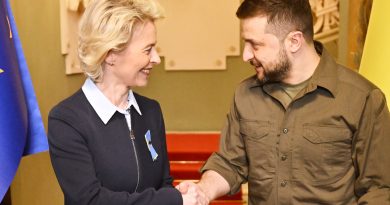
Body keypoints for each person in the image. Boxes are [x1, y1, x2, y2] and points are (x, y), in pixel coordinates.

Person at [177, 0, 390, 204]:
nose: (245, 55)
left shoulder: (363, 99)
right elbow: (230, 163)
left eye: (255, 45)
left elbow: (378, 190)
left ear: (294, 41)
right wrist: (203, 191)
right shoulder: (245, 94)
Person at [48, 0, 204, 204]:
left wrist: (176, 194)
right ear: (111, 54)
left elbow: (163, 184)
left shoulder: (151, 111)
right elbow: (90, 200)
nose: (156, 58)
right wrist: (173, 200)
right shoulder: (67, 120)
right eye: (148, 50)